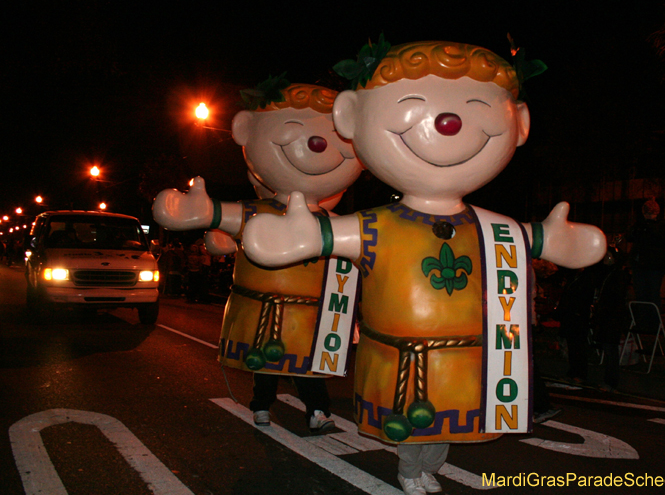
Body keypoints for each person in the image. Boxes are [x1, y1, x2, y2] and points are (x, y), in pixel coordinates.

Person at [241, 41, 606, 495]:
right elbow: (327, 238)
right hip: (402, 354)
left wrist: (557, 240)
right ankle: (410, 470)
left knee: (453, 422)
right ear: (353, 118)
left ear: (521, 124)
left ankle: (426, 468)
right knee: (415, 421)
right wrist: (300, 235)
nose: (450, 123)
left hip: (467, 355)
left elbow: (538, 240)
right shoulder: (379, 224)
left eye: (476, 110)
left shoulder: (489, 226)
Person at [154, 83, 363, 431]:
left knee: (309, 364)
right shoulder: (255, 211)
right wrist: (202, 212)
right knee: (267, 361)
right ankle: (262, 404)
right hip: (265, 308)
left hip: (315, 314)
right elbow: (219, 216)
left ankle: (317, 411)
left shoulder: (336, 224)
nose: (318, 144)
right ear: (245, 130)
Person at [590, 247, 629, 391]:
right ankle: (609, 380)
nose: (605, 257)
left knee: (611, 349)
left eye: (608, 255)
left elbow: (615, 298)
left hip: (612, 317)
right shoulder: (606, 273)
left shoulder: (618, 275)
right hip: (606, 316)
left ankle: (611, 381)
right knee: (608, 349)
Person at [627, 198, 665, 310]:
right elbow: (629, 236)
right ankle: (645, 319)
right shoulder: (640, 225)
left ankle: (652, 320)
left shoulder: (662, 226)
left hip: (653, 266)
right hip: (644, 265)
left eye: (651, 213)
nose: (649, 216)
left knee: (651, 294)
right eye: (647, 213)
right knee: (643, 294)